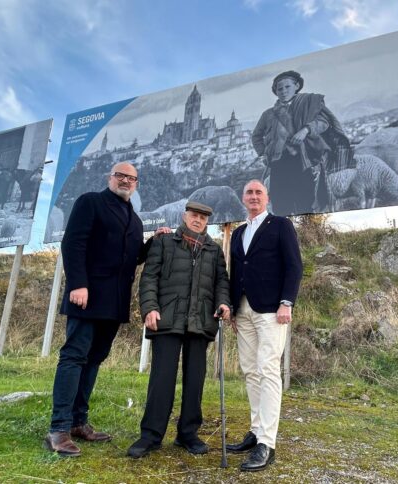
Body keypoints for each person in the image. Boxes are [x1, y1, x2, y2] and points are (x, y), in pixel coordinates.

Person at [44, 162, 155, 457]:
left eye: (132, 178)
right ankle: (59, 428)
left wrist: (155, 243)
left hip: (114, 303)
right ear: (110, 178)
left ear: (136, 184)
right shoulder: (90, 202)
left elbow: (133, 257)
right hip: (87, 296)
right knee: (74, 357)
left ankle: (79, 422)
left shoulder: (135, 220)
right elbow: (73, 243)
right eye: (121, 176)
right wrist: (78, 284)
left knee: (94, 360)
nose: (126, 181)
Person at [127, 201, 231, 459]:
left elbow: (222, 283)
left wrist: (223, 302)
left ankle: (188, 434)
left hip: (200, 321)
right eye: (194, 215)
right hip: (167, 318)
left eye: (203, 218)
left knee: (195, 380)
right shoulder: (164, 242)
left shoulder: (214, 250)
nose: (198, 220)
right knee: (161, 379)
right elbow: (149, 277)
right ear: (185, 216)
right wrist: (149, 307)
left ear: (207, 222)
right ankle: (150, 436)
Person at [226, 180, 303, 472]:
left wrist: (287, 302)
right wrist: (233, 309)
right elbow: (236, 272)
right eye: (249, 192)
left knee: (268, 369)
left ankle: (267, 444)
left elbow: (294, 266)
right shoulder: (238, 233)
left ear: (267, 198)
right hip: (243, 311)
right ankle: (256, 430)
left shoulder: (281, 225)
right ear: (243, 199)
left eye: (259, 192)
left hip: (272, 309)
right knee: (250, 370)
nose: (254, 196)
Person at [251, 70, 351, 216]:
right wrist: (263, 154)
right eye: (279, 89)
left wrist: (306, 130)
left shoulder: (308, 105)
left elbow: (323, 122)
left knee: (305, 204)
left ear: (296, 86)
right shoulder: (268, 114)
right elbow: (256, 136)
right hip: (278, 165)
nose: (283, 91)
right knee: (280, 207)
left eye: (287, 87)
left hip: (303, 162)